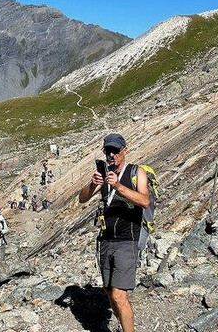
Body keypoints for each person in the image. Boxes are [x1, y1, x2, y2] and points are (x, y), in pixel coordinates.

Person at [78, 133, 150, 332]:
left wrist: (118, 186)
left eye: (115, 151)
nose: (111, 155)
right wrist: (94, 184)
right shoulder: (104, 175)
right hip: (106, 240)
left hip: (127, 239)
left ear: (124, 150)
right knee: (110, 291)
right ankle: (123, 324)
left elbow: (145, 201)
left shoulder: (136, 173)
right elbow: (82, 199)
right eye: (107, 151)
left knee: (119, 294)